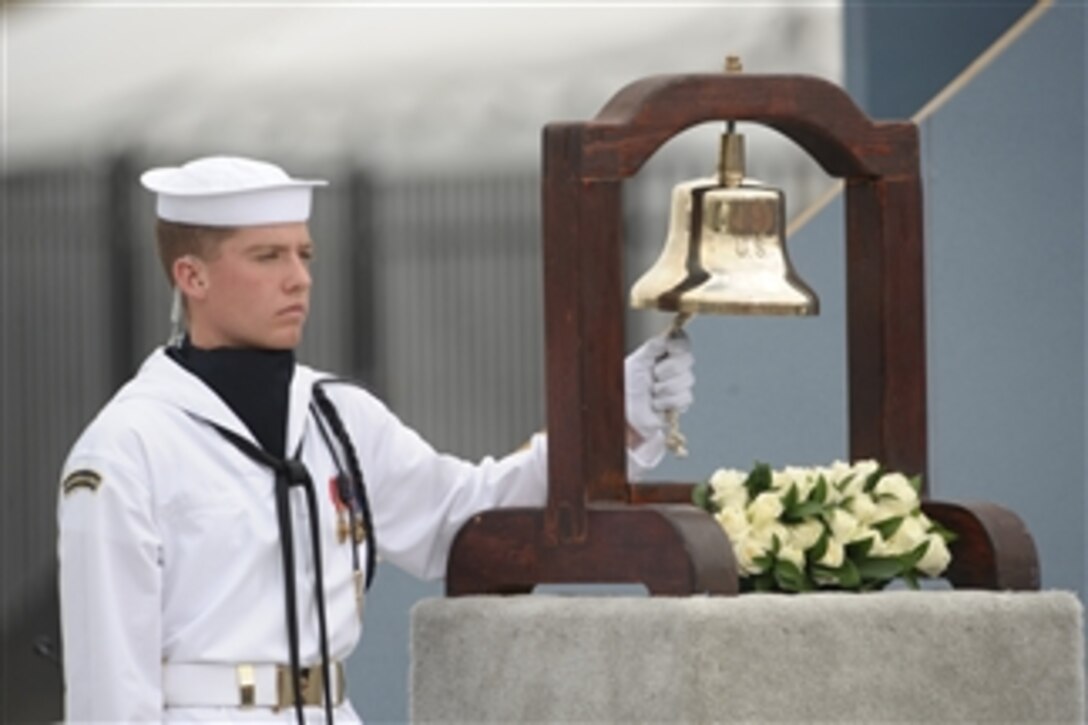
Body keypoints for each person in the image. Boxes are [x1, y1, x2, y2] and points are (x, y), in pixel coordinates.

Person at [57, 155, 695, 723]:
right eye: (267, 256)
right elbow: (109, 682)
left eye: (304, 254)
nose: (299, 278)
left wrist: (611, 418)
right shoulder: (127, 446)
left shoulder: (339, 417)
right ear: (191, 277)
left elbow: (465, 522)